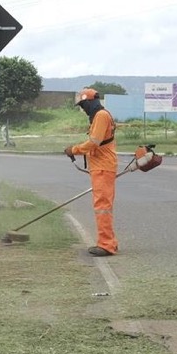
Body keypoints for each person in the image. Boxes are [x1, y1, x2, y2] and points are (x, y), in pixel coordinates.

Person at [64, 88, 118, 256]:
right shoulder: (98, 116)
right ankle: (110, 242)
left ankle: (106, 245)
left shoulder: (101, 116)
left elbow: (94, 142)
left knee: (102, 207)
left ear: (89, 102)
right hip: (100, 166)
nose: (82, 109)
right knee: (102, 206)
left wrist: (73, 149)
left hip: (103, 167)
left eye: (82, 105)